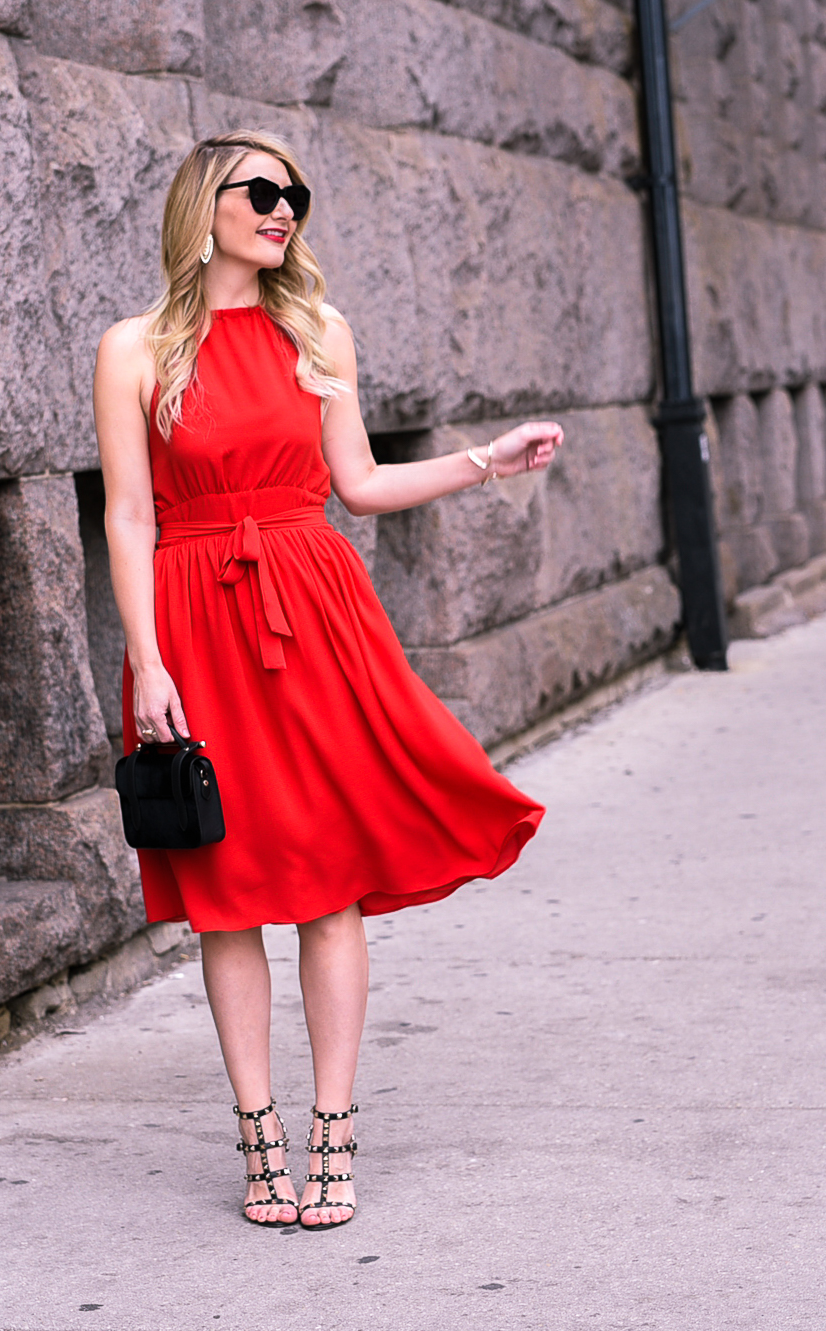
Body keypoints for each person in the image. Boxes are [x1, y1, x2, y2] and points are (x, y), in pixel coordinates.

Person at [93, 130, 563, 1231]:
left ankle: (333, 1132)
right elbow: (126, 514)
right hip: (196, 622)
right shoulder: (136, 347)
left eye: (293, 192)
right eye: (260, 191)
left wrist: (483, 459)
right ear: (204, 204)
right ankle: (258, 1137)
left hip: (312, 611)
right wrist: (149, 659)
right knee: (227, 891)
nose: (282, 208)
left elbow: (356, 482)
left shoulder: (320, 330)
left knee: (330, 874)